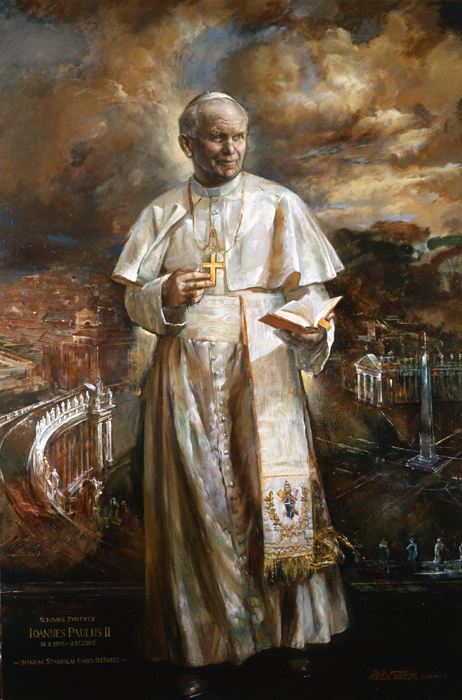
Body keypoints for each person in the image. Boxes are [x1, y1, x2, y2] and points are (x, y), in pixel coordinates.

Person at [113, 92, 348, 686]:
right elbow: (133, 297)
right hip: (186, 372)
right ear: (187, 143)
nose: (231, 148)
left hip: (264, 367)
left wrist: (311, 329)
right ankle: (199, 648)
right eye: (217, 137)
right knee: (196, 503)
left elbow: (312, 296)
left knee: (271, 497)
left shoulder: (279, 205)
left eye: (239, 136)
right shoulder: (164, 211)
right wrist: (164, 294)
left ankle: (291, 633)